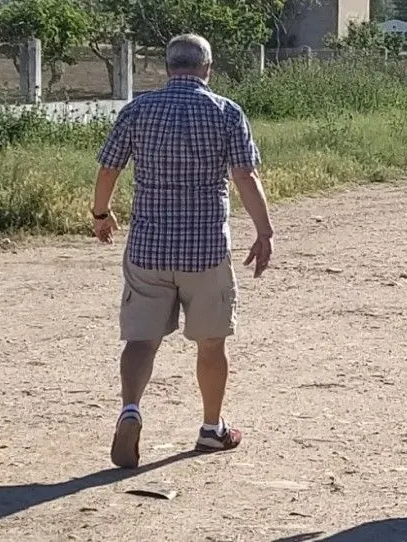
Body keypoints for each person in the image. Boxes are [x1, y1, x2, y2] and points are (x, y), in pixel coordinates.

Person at [90, 34, 275, 469]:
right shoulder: (226, 111)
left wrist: (101, 214)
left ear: (166, 67)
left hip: (149, 248)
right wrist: (264, 232)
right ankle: (212, 429)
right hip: (206, 250)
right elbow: (245, 176)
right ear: (207, 67)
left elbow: (109, 167)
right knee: (211, 344)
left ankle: (131, 409)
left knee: (141, 340)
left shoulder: (138, 110)